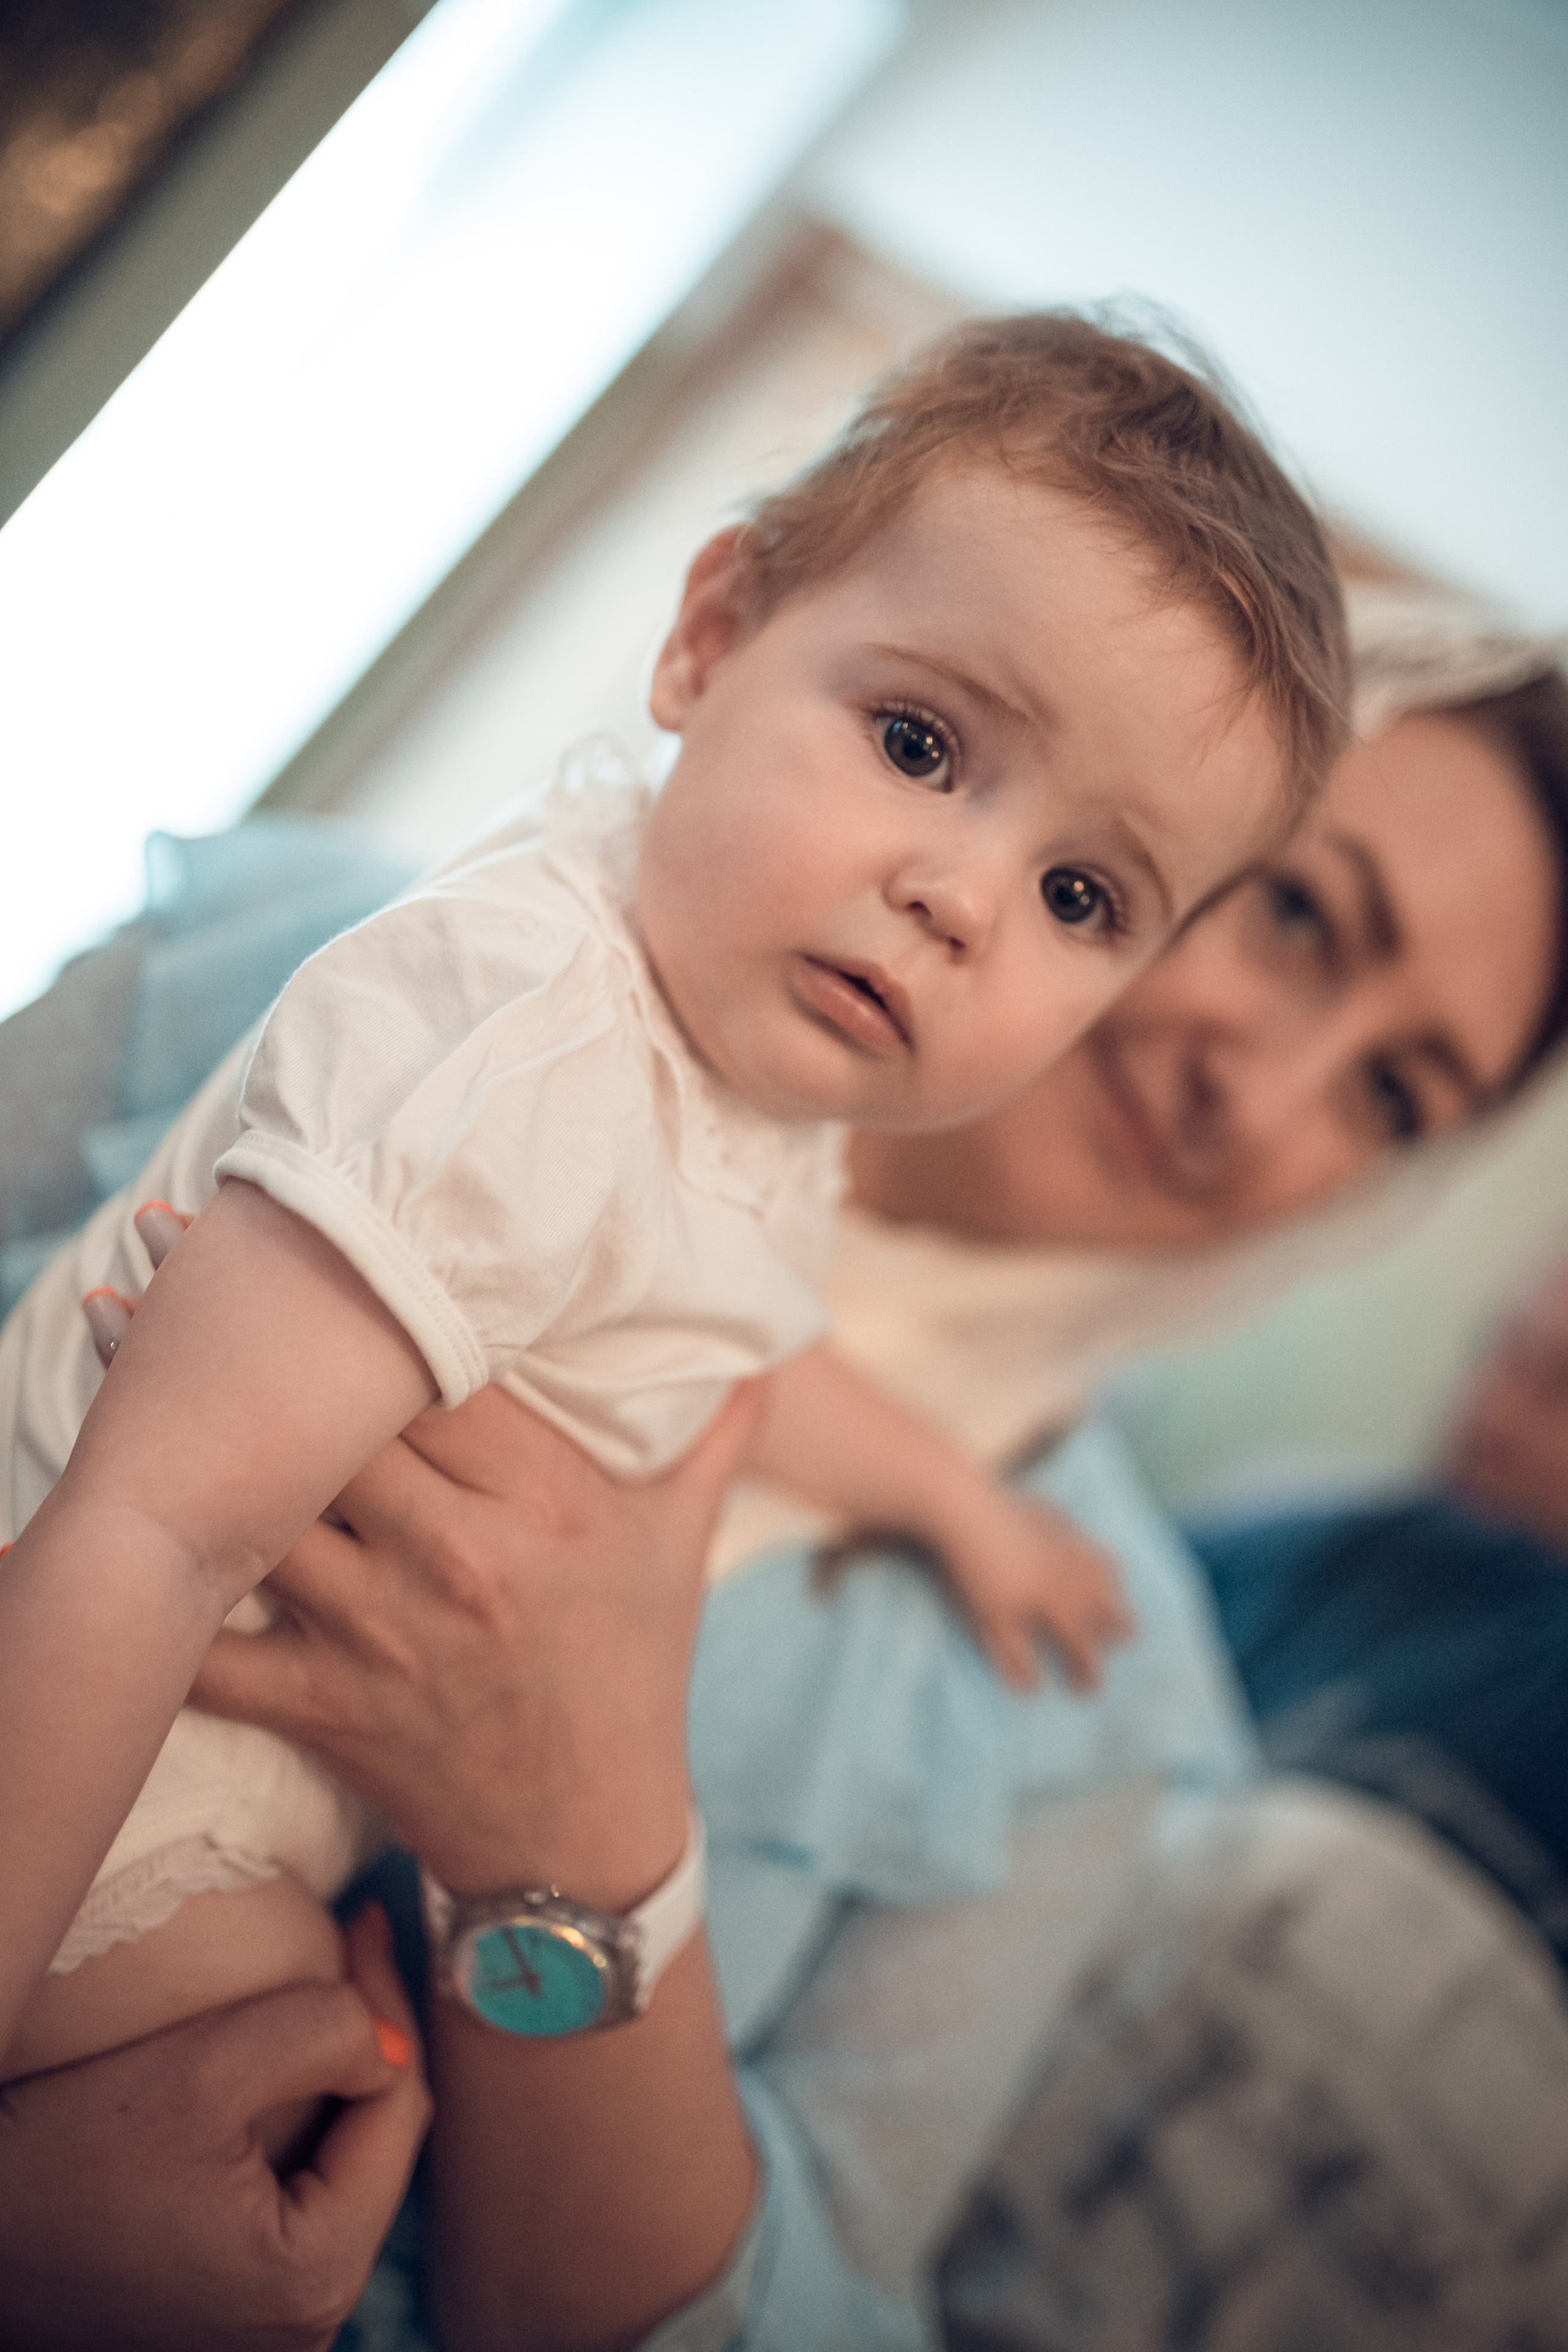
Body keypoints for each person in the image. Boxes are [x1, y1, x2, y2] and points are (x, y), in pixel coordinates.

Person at [1, 573, 1559, 2348]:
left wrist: (576, 1848)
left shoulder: (1080, 1678)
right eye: (1295, 914)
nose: (1265, 1097)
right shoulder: (342, 962)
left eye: (1394, 1098)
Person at [0, 312, 1346, 2088]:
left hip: (198, 1760)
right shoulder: (527, 1042)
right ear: (711, 639)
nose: (964, 899)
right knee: (271, 2090)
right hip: (96, 1723)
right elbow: (147, 1529)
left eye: (1084, 895)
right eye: (924, 746)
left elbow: (727, 1348)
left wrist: (953, 1500)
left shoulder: (744, 1104)